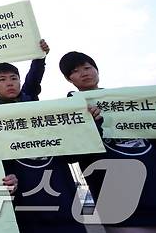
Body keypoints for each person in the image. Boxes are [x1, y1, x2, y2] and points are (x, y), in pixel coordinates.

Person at [0, 57, 92, 233]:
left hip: (65, 203)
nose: (10, 83)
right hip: (24, 209)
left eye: (14, 78)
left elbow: (71, 155)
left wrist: (93, 123)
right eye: (3, 79)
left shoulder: (40, 110)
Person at [60, 51, 156, 232]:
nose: (84, 73)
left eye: (87, 67)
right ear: (69, 79)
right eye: (76, 71)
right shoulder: (70, 111)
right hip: (118, 206)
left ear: (97, 70)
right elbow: (71, 154)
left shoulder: (130, 101)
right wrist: (91, 124)